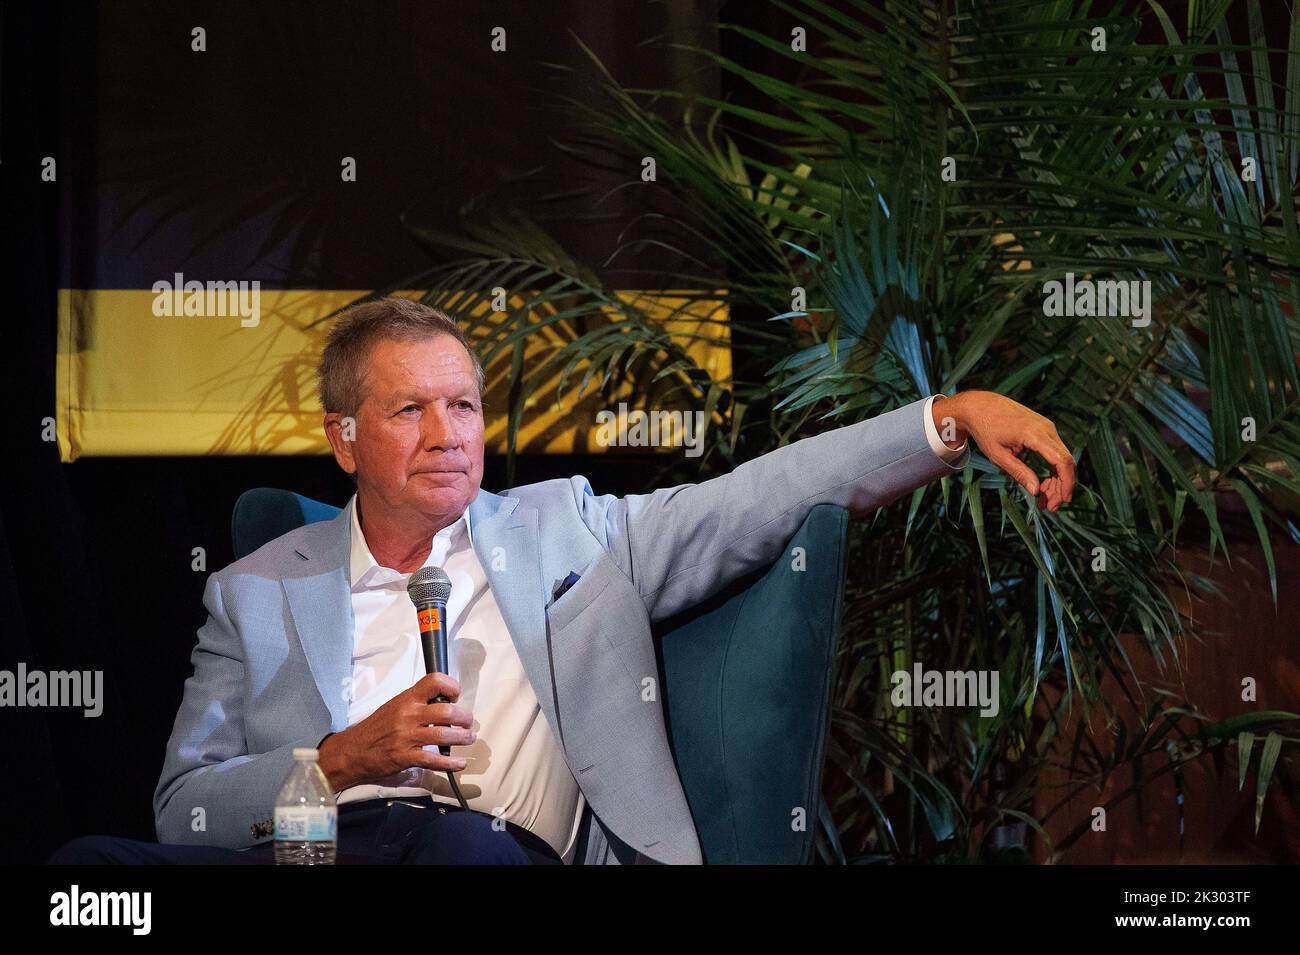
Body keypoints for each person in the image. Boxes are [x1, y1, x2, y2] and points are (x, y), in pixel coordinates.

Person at [50, 297, 1074, 864]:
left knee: (459, 858)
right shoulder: (254, 589)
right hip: (318, 856)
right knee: (88, 878)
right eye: (411, 411)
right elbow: (182, 808)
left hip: (486, 856)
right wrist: (338, 759)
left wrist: (943, 418)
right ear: (344, 438)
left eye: (463, 405)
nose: (449, 435)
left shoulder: (571, 529)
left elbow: (759, 495)